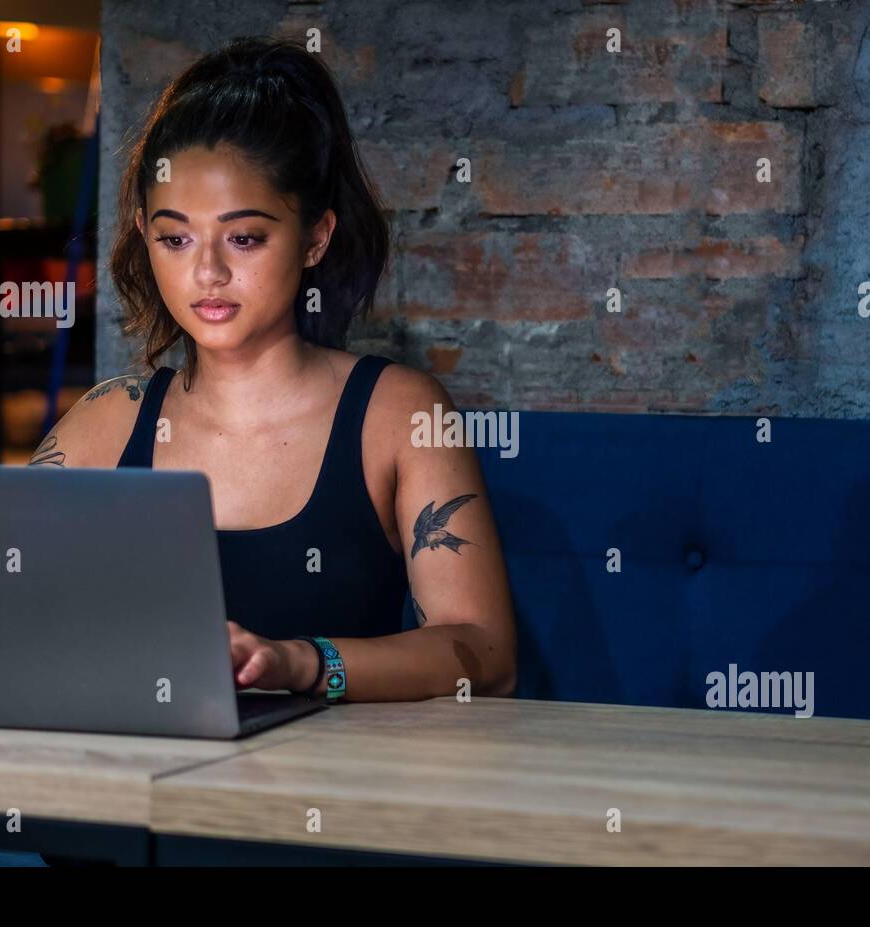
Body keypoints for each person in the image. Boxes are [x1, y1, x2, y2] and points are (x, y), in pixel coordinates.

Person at [31, 35, 517, 705]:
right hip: (137, 779)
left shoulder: (399, 414)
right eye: (175, 238)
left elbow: (486, 654)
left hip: (333, 793)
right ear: (145, 235)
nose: (207, 272)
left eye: (245, 237)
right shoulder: (105, 421)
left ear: (315, 237)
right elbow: (6, 613)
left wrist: (302, 664)